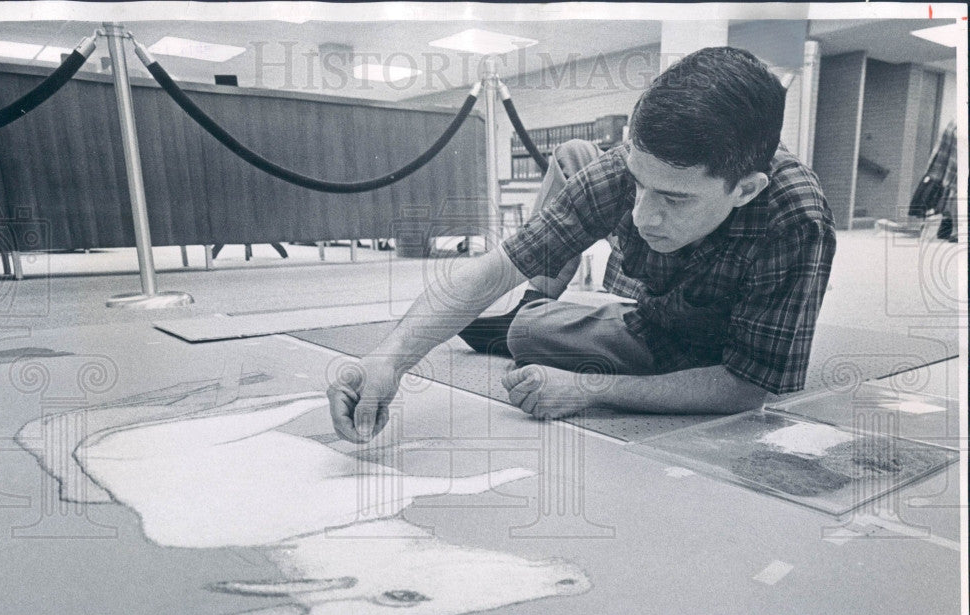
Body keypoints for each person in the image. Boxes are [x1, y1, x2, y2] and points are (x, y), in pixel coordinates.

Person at [328, 46, 836, 443]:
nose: (641, 216)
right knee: (524, 331)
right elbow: (495, 269)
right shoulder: (624, 170)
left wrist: (589, 389)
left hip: (719, 353)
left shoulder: (796, 219)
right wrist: (388, 359)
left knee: (552, 349)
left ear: (745, 189)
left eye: (674, 200)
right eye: (638, 183)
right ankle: (536, 317)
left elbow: (747, 389)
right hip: (653, 323)